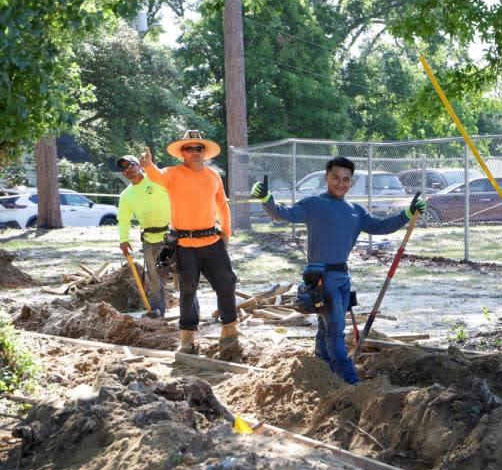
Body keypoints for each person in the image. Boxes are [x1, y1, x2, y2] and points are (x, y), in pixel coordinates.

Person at [250, 156, 426, 384]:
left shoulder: (355, 210)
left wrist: (408, 214)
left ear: (351, 182)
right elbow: (282, 213)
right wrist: (266, 198)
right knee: (335, 330)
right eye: (336, 178)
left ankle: (321, 370)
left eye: (346, 179)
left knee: (326, 329)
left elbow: (381, 226)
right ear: (326, 177)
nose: (341, 183)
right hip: (321, 278)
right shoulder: (313, 204)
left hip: (343, 277)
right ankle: (349, 379)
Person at [139, 130, 241, 361]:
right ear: (182, 153)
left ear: (204, 152)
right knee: (187, 290)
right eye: (189, 148)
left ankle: (230, 330)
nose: (194, 152)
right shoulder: (172, 174)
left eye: (198, 148)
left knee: (227, 282)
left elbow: (222, 206)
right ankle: (187, 339)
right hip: (184, 243)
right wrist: (148, 165)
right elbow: (156, 176)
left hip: (211, 241)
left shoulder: (214, 176)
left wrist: (226, 233)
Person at [116, 155, 171, 318]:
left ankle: (190, 312)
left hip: (171, 237)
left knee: (182, 274)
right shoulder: (126, 195)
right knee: (152, 276)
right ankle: (157, 310)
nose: (128, 170)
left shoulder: (156, 181)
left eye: (130, 166)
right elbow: (123, 219)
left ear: (139, 165)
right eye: (124, 169)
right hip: (149, 239)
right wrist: (123, 240)